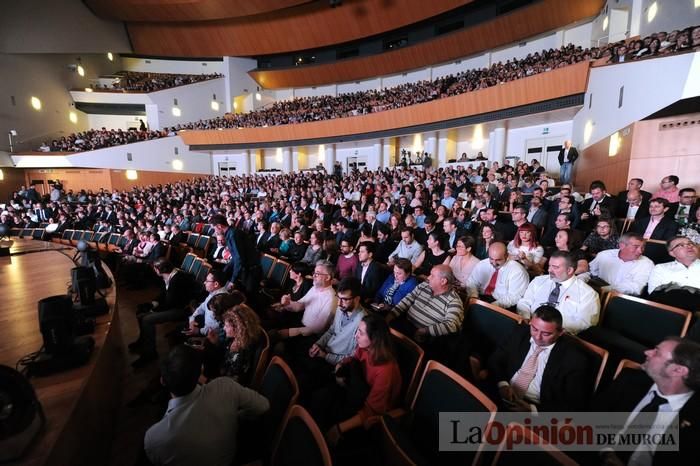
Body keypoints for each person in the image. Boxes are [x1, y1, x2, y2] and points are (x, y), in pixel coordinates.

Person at [144, 345, 269, 466]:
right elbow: (264, 405)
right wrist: (236, 415)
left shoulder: (154, 438)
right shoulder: (226, 386)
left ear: (163, 381)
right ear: (201, 370)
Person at [591, 337, 700, 466]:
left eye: (657, 352)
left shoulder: (695, 415)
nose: (647, 352)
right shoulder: (629, 380)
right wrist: (606, 452)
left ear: (678, 370)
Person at [317, 314, 402, 446]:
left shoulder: (386, 370)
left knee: (333, 421)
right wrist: (341, 364)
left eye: (361, 333)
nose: (356, 335)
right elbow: (353, 360)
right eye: (357, 330)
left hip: (372, 411)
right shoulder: (364, 347)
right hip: (360, 390)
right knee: (321, 397)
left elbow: (372, 410)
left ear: (374, 339)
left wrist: (339, 428)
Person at [487, 306, 592, 412]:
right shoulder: (520, 332)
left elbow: (574, 404)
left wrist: (533, 410)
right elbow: (496, 359)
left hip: (538, 409)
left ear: (561, 332)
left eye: (546, 334)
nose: (537, 337)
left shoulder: (575, 358)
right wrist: (502, 384)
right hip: (502, 391)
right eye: (534, 329)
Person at [130, 259, 200, 368]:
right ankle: (143, 340)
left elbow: (172, 303)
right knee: (141, 312)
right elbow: (163, 293)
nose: (154, 270)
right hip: (173, 305)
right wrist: (152, 304)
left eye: (155, 268)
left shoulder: (178, 279)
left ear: (159, 270)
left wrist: (154, 310)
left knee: (147, 319)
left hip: (183, 310)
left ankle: (150, 353)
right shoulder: (170, 275)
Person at [387, 265, 464, 357]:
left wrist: (425, 331)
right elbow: (406, 301)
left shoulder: (454, 300)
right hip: (406, 324)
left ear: (443, 281)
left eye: (432, 275)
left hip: (426, 338)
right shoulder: (424, 286)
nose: (428, 277)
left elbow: (452, 325)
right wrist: (389, 316)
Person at [517, 251, 599, 334]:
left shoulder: (588, 294)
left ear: (569, 270)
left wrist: (551, 328)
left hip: (561, 336)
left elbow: (585, 323)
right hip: (529, 327)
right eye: (549, 266)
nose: (549, 270)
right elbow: (524, 302)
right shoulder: (538, 281)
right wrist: (526, 319)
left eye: (555, 267)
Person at [587, 232, 655, 296]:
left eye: (642, 247)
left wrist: (608, 288)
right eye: (636, 247)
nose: (640, 251)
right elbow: (590, 272)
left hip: (623, 299)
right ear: (622, 245)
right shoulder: (604, 255)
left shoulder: (647, 263)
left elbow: (637, 288)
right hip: (595, 293)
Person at [467, 242, 530, 310]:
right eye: (491, 259)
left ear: (507, 256)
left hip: (502, 304)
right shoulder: (483, 264)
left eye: (498, 260)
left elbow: (514, 296)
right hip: (480, 296)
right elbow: (472, 281)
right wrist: (474, 296)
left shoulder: (518, 271)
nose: (494, 263)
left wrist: (492, 306)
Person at [646, 237, 700, 311]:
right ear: (672, 253)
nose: (689, 246)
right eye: (681, 245)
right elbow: (654, 294)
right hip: (668, 312)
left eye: (690, 243)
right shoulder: (660, 268)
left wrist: (673, 289)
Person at [217, 304, 264, 386]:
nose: (224, 328)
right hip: (223, 377)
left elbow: (237, 380)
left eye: (227, 326)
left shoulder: (244, 351)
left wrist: (208, 381)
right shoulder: (235, 338)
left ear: (239, 328)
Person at [185, 269, 228, 337]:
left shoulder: (220, 301)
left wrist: (199, 331)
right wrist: (192, 319)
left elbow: (216, 328)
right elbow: (202, 307)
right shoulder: (213, 292)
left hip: (209, 335)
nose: (204, 282)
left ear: (216, 284)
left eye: (207, 281)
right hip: (203, 326)